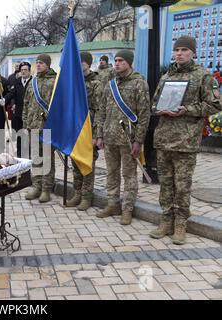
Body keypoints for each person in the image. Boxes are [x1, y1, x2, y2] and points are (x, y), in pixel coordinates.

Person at [149, 36, 222, 244]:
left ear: (193, 52)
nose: (179, 53)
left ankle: (181, 223)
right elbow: (154, 103)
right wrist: (158, 109)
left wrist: (187, 110)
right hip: (164, 139)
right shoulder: (166, 77)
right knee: (165, 184)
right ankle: (166, 220)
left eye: (184, 50)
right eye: (177, 50)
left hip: (185, 142)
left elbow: (215, 105)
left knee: (182, 186)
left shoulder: (203, 76)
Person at [95, 50, 151, 225]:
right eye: (116, 60)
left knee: (129, 175)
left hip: (128, 139)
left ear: (129, 62)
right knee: (111, 173)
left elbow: (144, 114)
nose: (117, 63)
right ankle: (112, 204)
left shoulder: (139, 83)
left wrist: (138, 140)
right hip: (110, 137)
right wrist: (99, 134)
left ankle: (127, 208)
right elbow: (101, 110)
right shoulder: (109, 84)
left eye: (121, 61)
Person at [66, 52, 104, 210]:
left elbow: (100, 110)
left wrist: (97, 134)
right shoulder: (73, 82)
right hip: (74, 128)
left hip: (88, 128)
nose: (78, 65)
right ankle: (77, 193)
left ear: (88, 64)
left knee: (87, 162)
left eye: (81, 62)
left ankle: (87, 197)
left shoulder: (96, 83)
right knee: (75, 161)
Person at [23, 54, 57, 203]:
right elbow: (26, 103)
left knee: (47, 159)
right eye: (37, 63)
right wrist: (25, 122)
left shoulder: (55, 81)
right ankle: (36, 185)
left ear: (48, 64)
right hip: (33, 126)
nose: (38, 65)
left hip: (48, 126)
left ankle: (46, 189)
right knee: (36, 158)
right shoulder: (33, 82)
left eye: (41, 63)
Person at [0, 61, 32, 157]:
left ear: (30, 71)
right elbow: (11, 93)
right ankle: (19, 156)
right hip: (18, 114)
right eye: (22, 70)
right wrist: (4, 99)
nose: (23, 72)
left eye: (25, 70)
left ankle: (27, 156)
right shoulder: (17, 82)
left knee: (27, 137)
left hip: (29, 115)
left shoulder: (33, 82)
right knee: (19, 136)